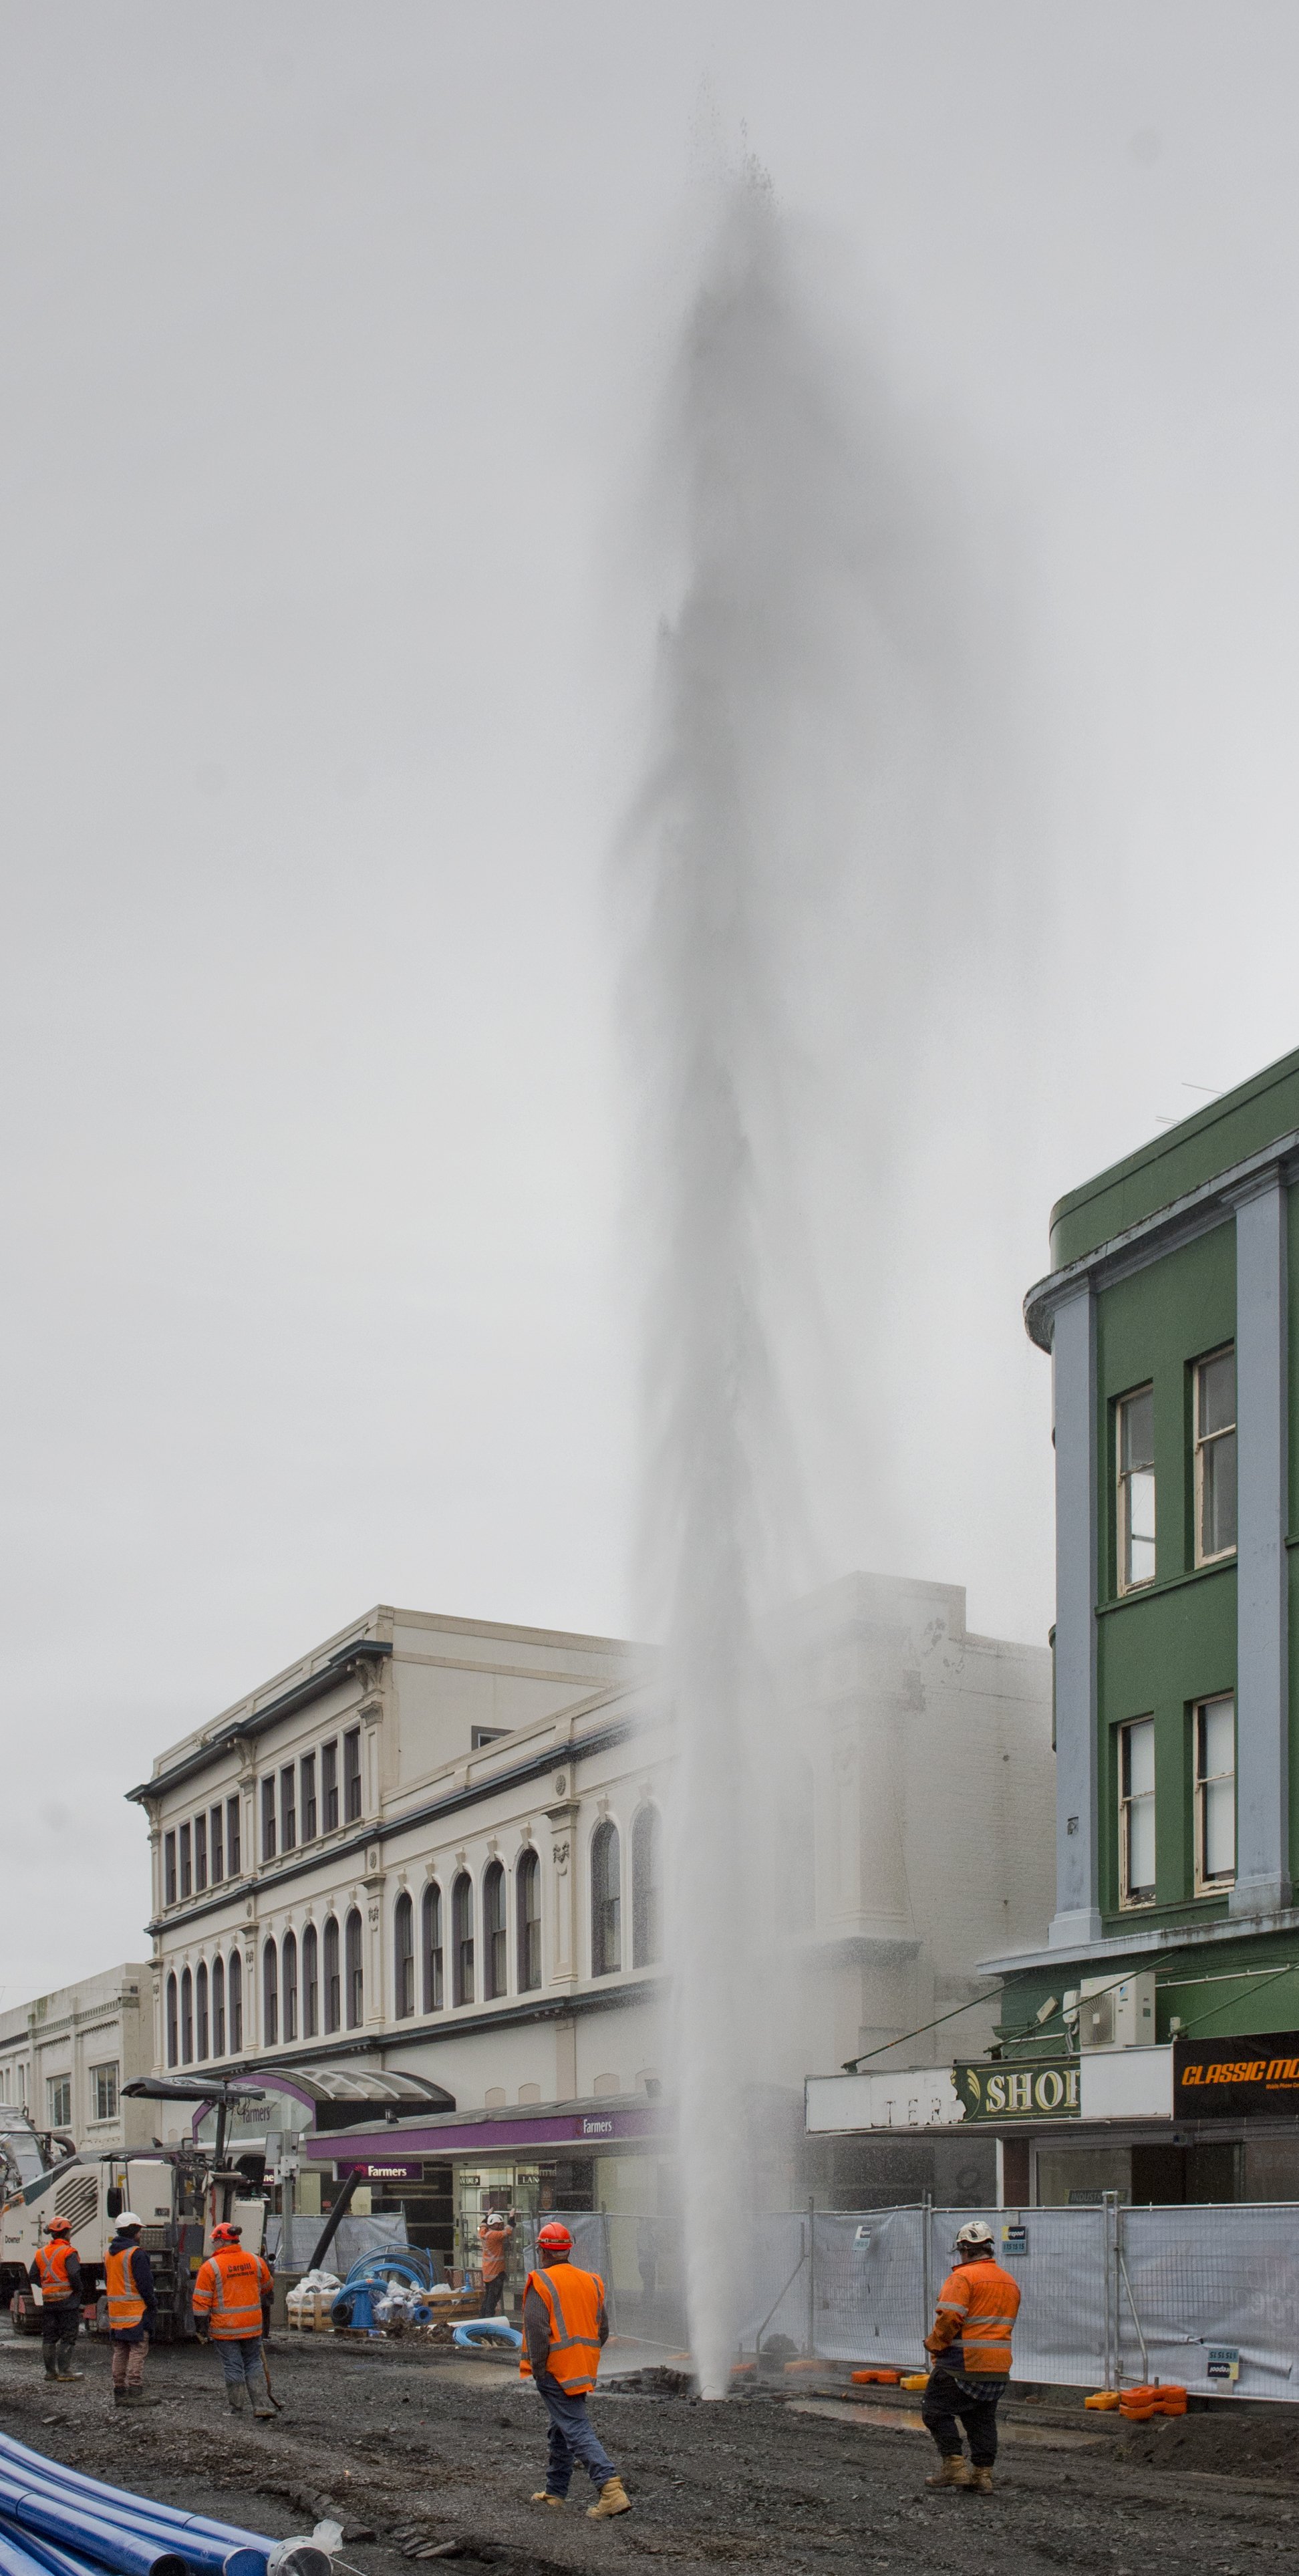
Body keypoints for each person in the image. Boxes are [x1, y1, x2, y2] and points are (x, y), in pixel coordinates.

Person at [521, 2221, 630, 2519]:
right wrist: (584, 2355)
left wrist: (540, 2370)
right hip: (582, 2367)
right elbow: (602, 2329)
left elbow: (536, 2331)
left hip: (555, 2370)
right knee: (562, 2427)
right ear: (569, 2249)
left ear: (542, 2251)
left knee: (575, 2427)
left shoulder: (540, 2282)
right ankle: (556, 2492)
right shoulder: (591, 2280)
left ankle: (610, 2489)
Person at [921, 2218, 1022, 2494]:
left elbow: (950, 2317)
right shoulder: (1009, 2282)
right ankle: (983, 2476)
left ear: (964, 2249)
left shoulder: (962, 2277)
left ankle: (954, 2467)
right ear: (988, 2249)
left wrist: (936, 2345)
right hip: (998, 2368)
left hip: (962, 2364)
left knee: (934, 2411)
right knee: (981, 2419)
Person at [191, 2221, 276, 2417]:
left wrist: (201, 2328)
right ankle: (261, 2406)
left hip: (225, 2328)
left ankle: (237, 2408)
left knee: (233, 2365)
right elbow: (267, 2286)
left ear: (221, 2242)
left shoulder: (210, 2267)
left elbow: (200, 2302)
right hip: (253, 2326)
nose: (213, 2245)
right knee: (253, 2363)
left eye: (215, 2241)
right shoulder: (255, 2261)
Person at [104, 2212, 158, 2406]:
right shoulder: (136, 2254)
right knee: (137, 2350)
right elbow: (145, 2284)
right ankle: (135, 2392)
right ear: (135, 2231)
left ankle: (119, 2392)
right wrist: (153, 2304)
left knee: (120, 2351)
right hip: (135, 2311)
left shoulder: (110, 2254)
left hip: (117, 2313)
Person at [31, 2216, 83, 2384]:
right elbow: (74, 2274)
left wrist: (48, 2287)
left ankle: (50, 2373)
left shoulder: (41, 2253)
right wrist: (78, 2291)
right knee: (68, 2335)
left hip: (48, 2301)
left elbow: (33, 2276)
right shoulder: (68, 2252)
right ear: (67, 2232)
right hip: (67, 2301)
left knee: (49, 2336)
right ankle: (65, 2371)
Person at [477, 2208, 515, 2319]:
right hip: (496, 2273)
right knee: (492, 2301)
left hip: (488, 2273)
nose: (501, 2226)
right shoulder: (494, 2235)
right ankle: (488, 2325)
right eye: (500, 2224)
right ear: (496, 2225)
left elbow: (483, 2225)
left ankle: (482, 2320)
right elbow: (508, 2231)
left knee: (488, 2299)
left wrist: (488, 2215)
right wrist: (511, 2216)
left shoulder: (484, 2233)